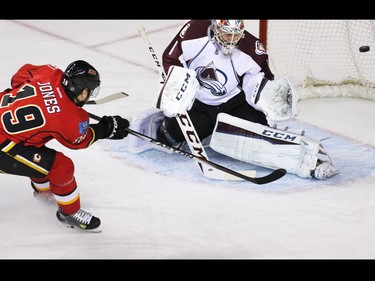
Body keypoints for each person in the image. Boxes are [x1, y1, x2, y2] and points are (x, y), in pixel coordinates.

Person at [153, 19, 338, 180]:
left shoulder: (252, 47)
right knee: (172, 136)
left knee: (259, 136)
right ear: (216, 27)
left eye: (236, 35)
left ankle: (310, 157)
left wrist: (266, 94)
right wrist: (179, 85)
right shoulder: (195, 29)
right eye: (226, 34)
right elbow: (171, 58)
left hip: (234, 104)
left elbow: (259, 80)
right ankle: (185, 128)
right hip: (198, 102)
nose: (231, 40)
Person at [0, 60, 130, 231]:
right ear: (83, 91)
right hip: (4, 147)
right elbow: (78, 140)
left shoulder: (49, 72)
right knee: (61, 166)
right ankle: (69, 214)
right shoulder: (70, 118)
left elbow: (19, 77)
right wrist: (106, 128)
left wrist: (43, 97)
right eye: (89, 92)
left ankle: (44, 194)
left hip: (8, 133)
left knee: (39, 156)